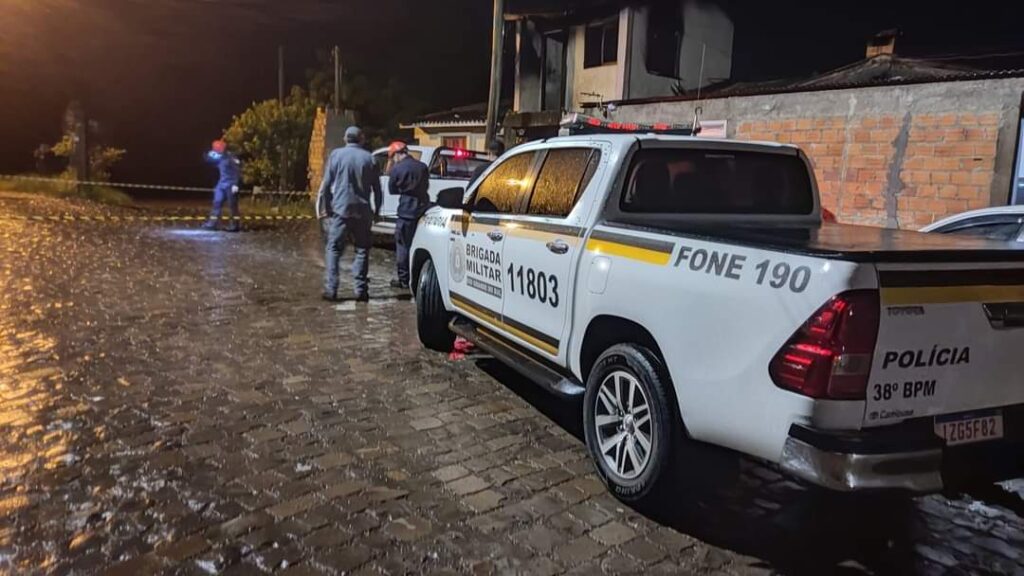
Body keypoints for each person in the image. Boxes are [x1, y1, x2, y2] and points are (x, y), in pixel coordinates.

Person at [316, 126, 382, 302]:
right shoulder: (369, 158)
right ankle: (361, 291)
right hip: (363, 211)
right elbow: (377, 189)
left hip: (341, 210)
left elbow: (326, 186)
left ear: (345, 139)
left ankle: (331, 289)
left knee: (333, 249)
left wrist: (327, 208)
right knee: (362, 250)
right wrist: (377, 211)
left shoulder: (336, 155)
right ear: (361, 139)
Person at [386, 141, 431, 290]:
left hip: (406, 212)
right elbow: (426, 186)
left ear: (397, 154)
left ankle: (404, 280)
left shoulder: (397, 168)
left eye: (392, 157)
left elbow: (392, 189)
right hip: (423, 211)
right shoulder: (422, 166)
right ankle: (419, 278)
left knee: (403, 246)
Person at [203, 140, 242, 232]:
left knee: (232, 206)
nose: (216, 150)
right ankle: (212, 224)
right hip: (222, 183)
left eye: (217, 149)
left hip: (231, 183)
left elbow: (237, 171)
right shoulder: (219, 157)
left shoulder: (231, 157)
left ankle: (234, 225)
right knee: (216, 202)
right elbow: (209, 159)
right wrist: (206, 154)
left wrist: (236, 184)